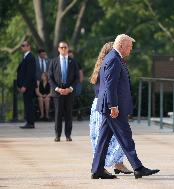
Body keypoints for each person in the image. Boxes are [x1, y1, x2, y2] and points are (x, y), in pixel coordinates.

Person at [90, 34, 159, 179]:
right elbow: (110, 85)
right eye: (129, 46)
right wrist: (113, 106)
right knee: (126, 136)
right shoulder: (114, 59)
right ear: (121, 45)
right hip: (114, 108)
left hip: (111, 107)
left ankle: (97, 170)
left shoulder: (115, 58)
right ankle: (138, 167)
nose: (131, 49)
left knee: (103, 139)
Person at [89, 42, 132, 175]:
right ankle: (102, 167)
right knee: (112, 137)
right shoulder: (110, 65)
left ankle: (117, 164)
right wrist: (113, 106)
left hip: (100, 105)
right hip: (106, 105)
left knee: (110, 138)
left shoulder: (105, 65)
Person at [48, 41, 79, 142]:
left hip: (69, 91)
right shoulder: (53, 61)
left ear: (68, 48)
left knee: (68, 114)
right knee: (58, 114)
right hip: (58, 92)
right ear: (58, 49)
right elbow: (50, 77)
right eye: (61, 47)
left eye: (65, 47)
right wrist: (57, 89)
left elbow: (76, 77)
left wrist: (70, 89)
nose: (63, 49)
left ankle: (68, 135)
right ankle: (57, 135)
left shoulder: (73, 61)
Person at [17, 40, 37, 129]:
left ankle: (30, 123)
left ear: (29, 47)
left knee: (29, 104)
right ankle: (29, 121)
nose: (22, 47)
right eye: (22, 46)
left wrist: (24, 85)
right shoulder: (26, 57)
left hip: (28, 86)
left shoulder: (30, 57)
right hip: (26, 86)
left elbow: (30, 74)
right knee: (27, 104)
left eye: (24, 45)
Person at [68, 50, 84, 120]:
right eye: (69, 53)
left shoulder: (77, 62)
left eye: (71, 53)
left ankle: (79, 113)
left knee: (77, 98)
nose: (70, 55)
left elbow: (80, 72)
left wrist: (80, 81)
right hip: (68, 84)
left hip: (77, 84)